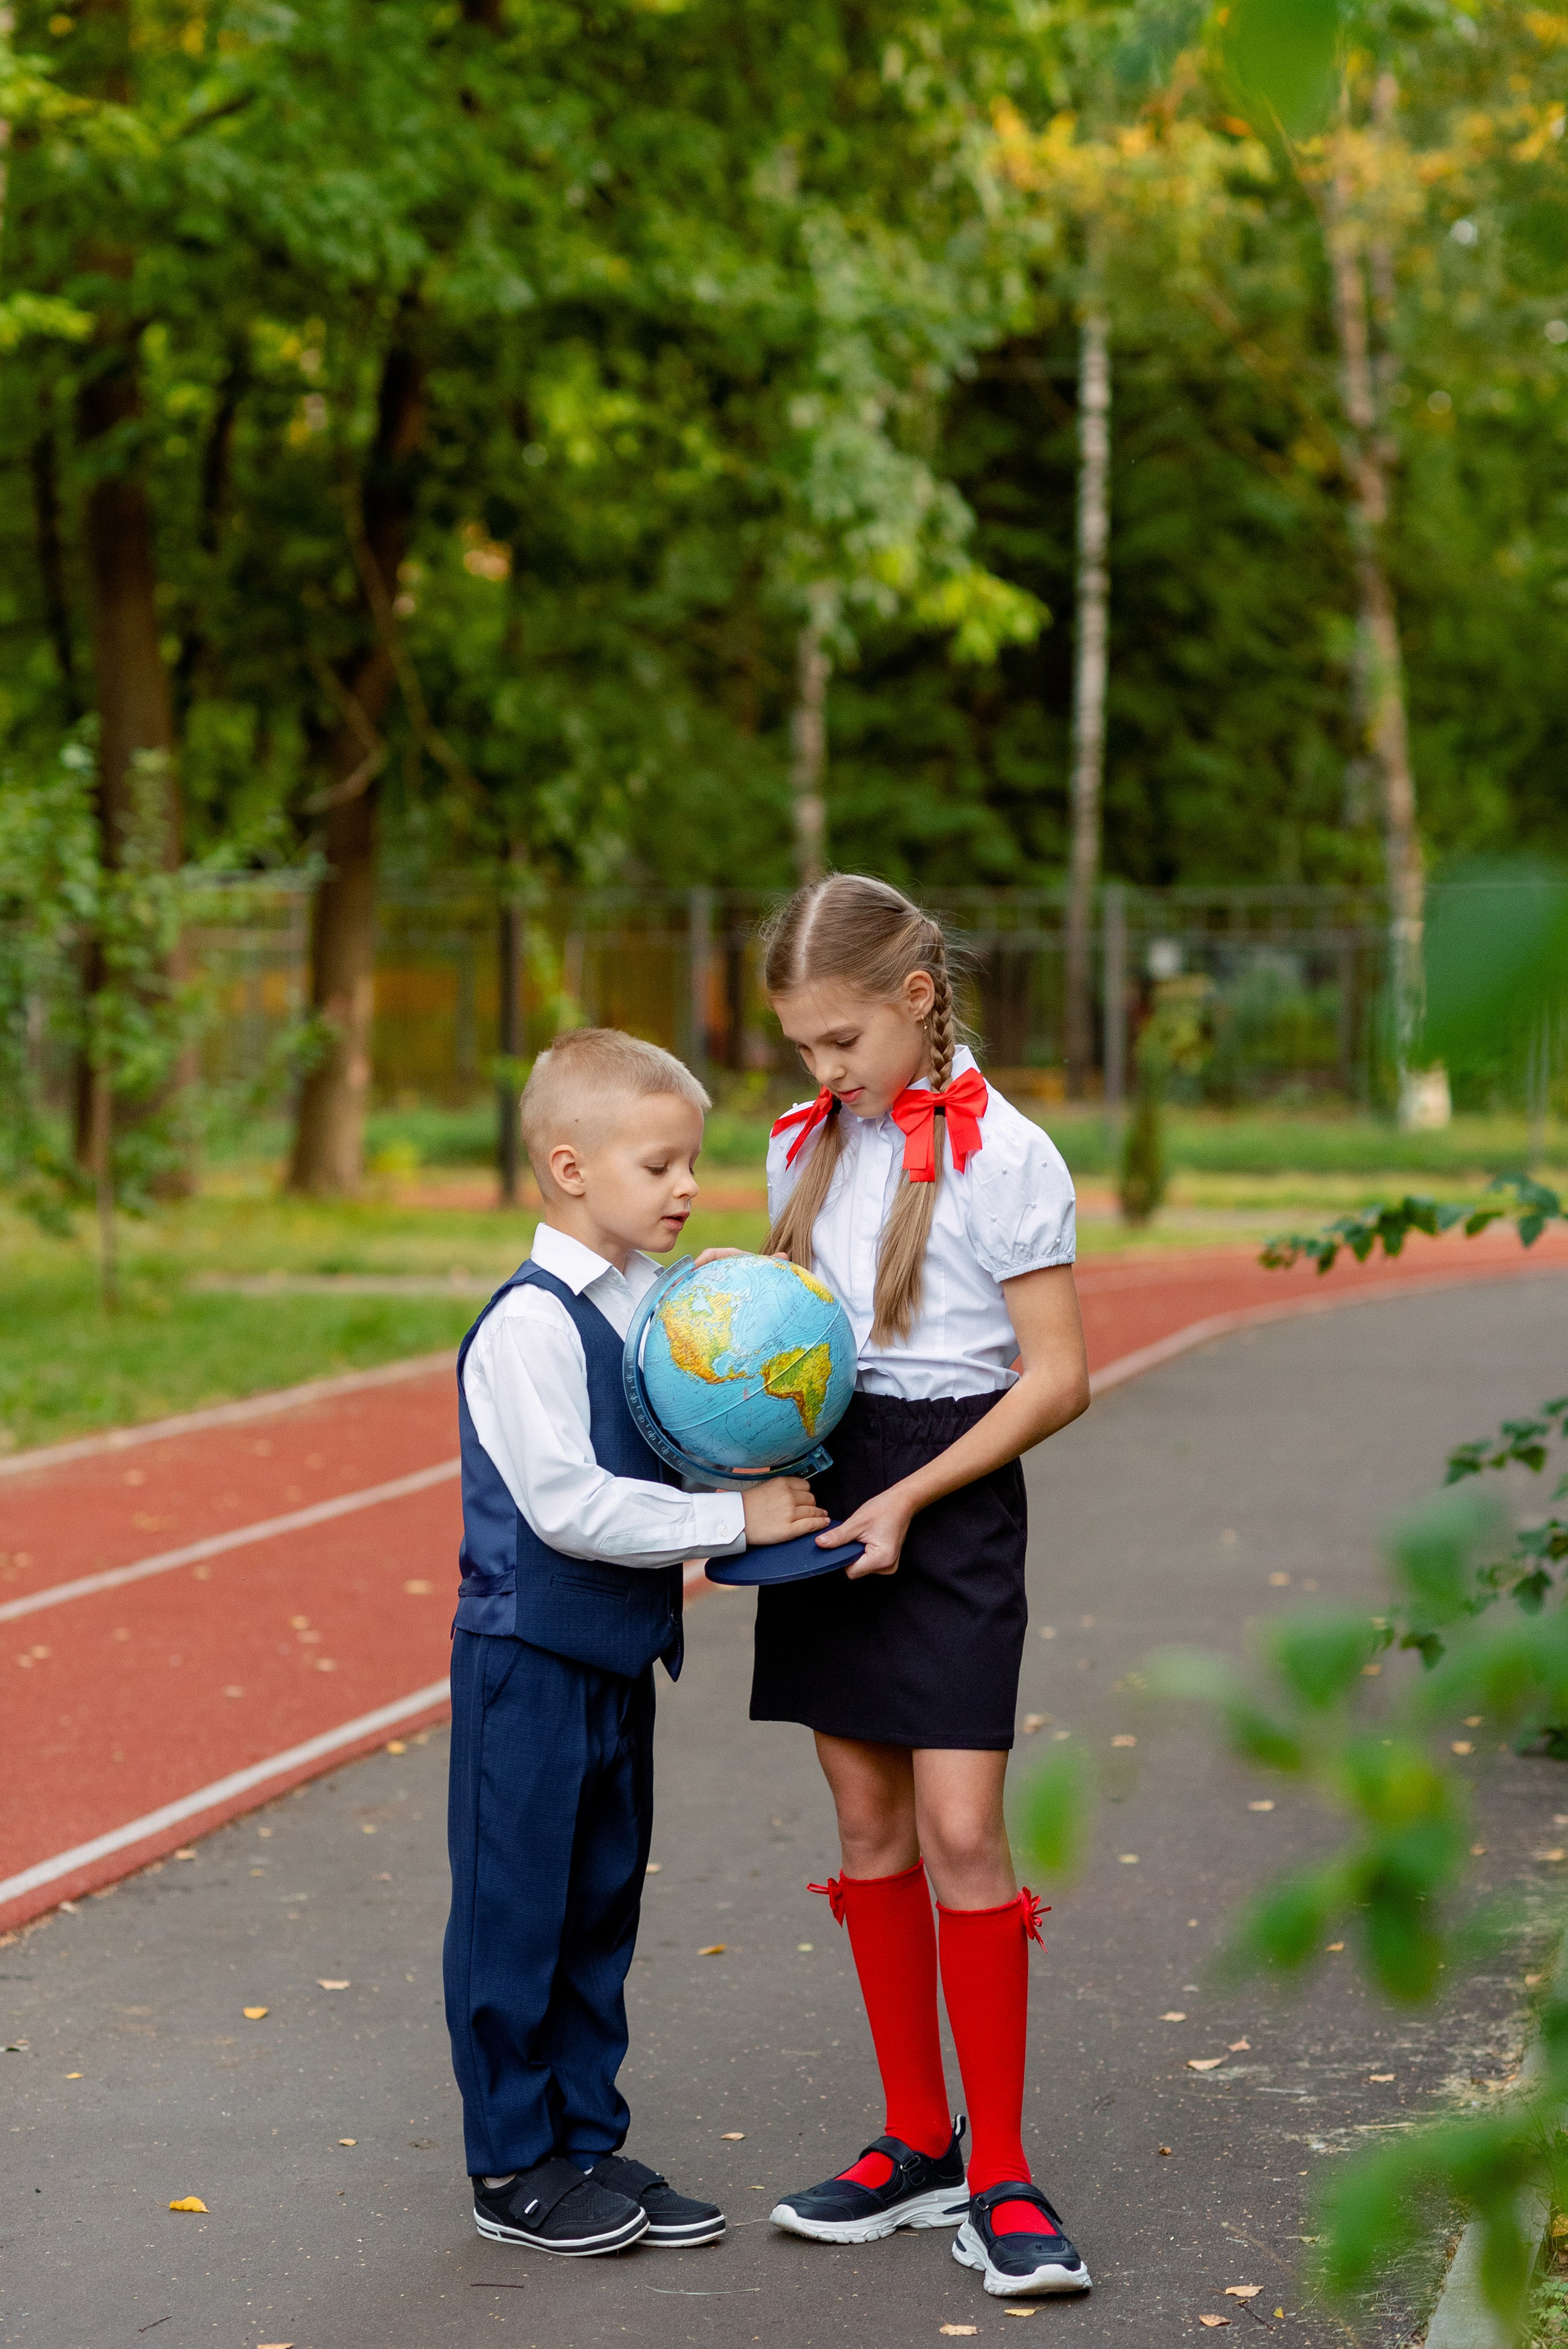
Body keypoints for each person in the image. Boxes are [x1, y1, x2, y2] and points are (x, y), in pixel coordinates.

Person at [756, 877, 1093, 2301]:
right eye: (799, 1051)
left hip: (944, 1492)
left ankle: (1002, 2169)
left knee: (962, 1827)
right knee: (863, 1812)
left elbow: (1060, 1376)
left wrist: (908, 1495)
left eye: (838, 1042)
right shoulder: (804, 1146)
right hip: (830, 1477)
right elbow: (780, 1343)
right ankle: (915, 2139)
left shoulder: (1008, 1154)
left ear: (912, 995)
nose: (820, 1074)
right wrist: (762, 1478)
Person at [444, 1027, 827, 2260]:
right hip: (527, 1660)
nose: (685, 1188)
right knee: (518, 1913)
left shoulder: (640, 1306)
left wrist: (721, 1309)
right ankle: (510, 2161)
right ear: (569, 1168)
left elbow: (689, 1395)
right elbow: (568, 1505)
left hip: (614, 1662)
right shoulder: (528, 1325)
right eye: (659, 1167)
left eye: (689, 1165)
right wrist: (732, 1518)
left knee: (600, 1906)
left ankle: (583, 2137)